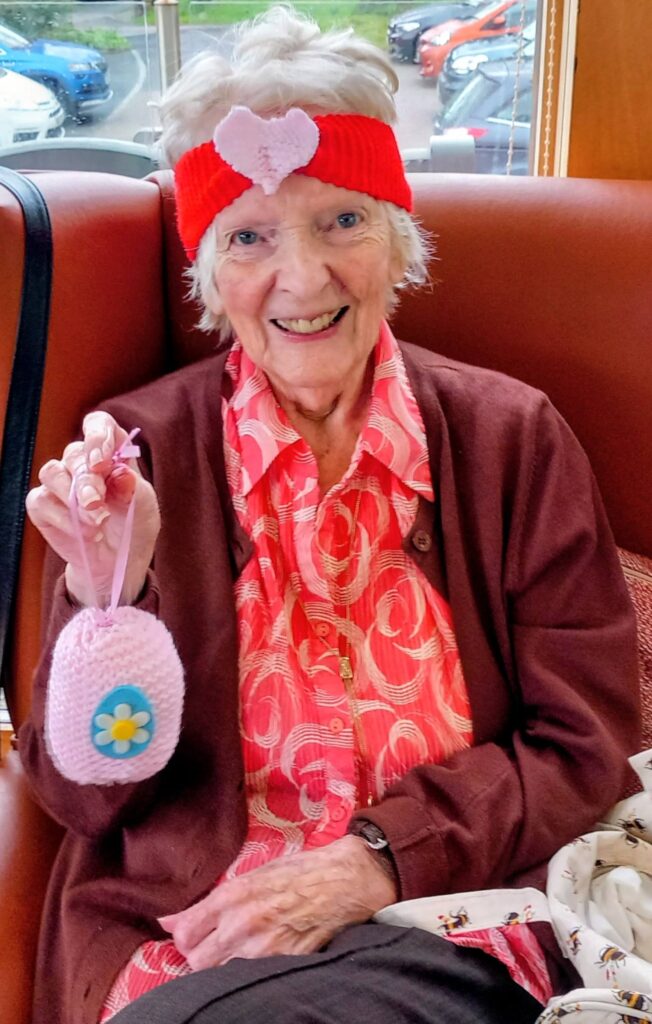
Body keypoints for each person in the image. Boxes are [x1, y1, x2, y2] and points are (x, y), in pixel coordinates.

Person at [21, 7, 640, 1024]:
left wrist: (378, 858)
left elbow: (585, 739)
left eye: (341, 221)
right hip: (195, 948)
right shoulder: (134, 459)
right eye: (252, 236)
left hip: (455, 917)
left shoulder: (510, 439)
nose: (301, 278)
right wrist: (112, 607)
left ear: (396, 235)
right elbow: (86, 803)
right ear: (208, 271)